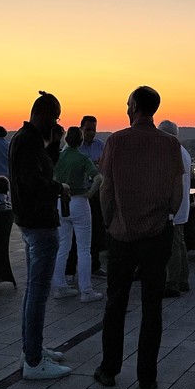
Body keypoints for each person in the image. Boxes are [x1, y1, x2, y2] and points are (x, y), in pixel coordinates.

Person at [94, 86, 183, 389]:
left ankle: (109, 369)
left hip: (121, 234)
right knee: (151, 307)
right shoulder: (170, 145)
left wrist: (108, 221)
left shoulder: (116, 141)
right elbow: (176, 195)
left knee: (115, 302)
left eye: (128, 103)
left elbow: (106, 190)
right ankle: (147, 378)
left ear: (133, 107)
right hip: (157, 235)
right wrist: (163, 215)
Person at [10, 91, 72, 380]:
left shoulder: (26, 140)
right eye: (55, 117)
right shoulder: (29, 142)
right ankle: (34, 361)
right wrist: (58, 189)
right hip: (39, 222)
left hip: (31, 221)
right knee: (38, 293)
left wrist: (55, 146)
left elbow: (41, 169)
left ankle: (32, 349)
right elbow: (35, 182)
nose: (56, 123)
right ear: (44, 115)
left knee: (34, 292)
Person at [50, 127, 103, 303]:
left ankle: (60, 286)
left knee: (62, 246)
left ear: (66, 140)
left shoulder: (58, 157)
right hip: (79, 201)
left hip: (60, 202)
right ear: (80, 141)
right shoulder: (82, 158)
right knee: (83, 249)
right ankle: (86, 290)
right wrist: (90, 194)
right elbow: (98, 178)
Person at [157, 119, 191, 297]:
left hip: (173, 206)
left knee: (173, 245)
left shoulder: (171, 152)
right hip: (182, 204)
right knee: (180, 242)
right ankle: (183, 279)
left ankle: (173, 283)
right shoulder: (183, 152)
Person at [78, 114, 107, 276]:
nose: (91, 133)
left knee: (96, 229)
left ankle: (94, 265)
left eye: (93, 129)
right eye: (88, 129)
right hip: (81, 192)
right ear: (82, 128)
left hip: (96, 192)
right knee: (80, 232)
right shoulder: (76, 147)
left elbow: (105, 165)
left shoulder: (100, 145)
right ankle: (76, 265)